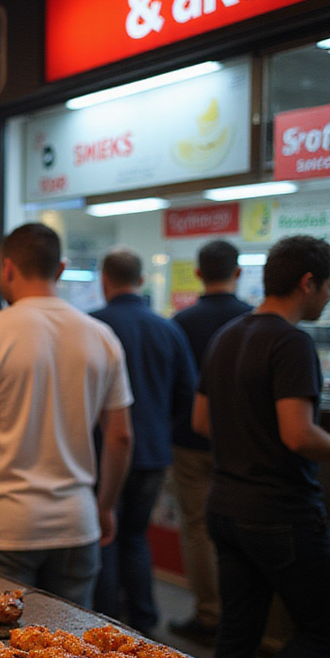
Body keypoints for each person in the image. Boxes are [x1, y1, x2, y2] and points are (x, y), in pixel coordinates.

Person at [0, 223, 133, 609]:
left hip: (0, 528)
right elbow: (121, 438)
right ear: (61, 269)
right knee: (72, 656)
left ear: (7, 268)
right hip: (76, 524)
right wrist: (103, 506)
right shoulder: (102, 336)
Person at [192, 234, 330, 658]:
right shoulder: (291, 343)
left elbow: (201, 420)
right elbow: (299, 434)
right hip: (280, 512)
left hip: (226, 506)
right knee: (319, 631)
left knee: (236, 636)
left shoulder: (226, 335)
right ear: (308, 282)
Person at [90, 247, 197, 636]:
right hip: (152, 452)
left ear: (104, 280)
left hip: (102, 453)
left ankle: (104, 623)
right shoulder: (167, 328)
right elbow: (188, 394)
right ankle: (145, 621)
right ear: (141, 280)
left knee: (104, 537)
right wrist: (156, 425)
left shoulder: (93, 326)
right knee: (135, 536)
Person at [168, 240, 252, 641]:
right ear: (237, 272)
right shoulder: (253, 320)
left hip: (188, 441)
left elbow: (175, 388)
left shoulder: (181, 322)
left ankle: (208, 614)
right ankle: (243, 621)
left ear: (199, 273)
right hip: (242, 445)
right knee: (240, 529)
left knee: (199, 528)